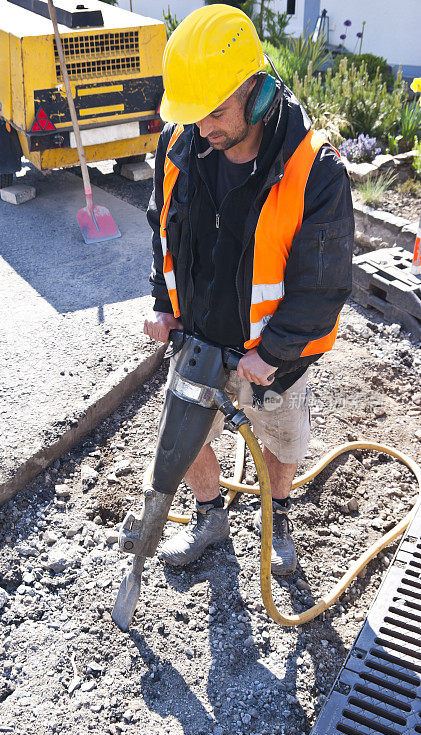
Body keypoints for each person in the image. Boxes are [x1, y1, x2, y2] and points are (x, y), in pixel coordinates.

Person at [144, 5, 354, 575]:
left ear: (256, 94)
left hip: (272, 355)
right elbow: (163, 230)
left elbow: (324, 284)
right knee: (185, 443)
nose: (202, 128)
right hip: (199, 340)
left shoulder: (317, 172)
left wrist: (274, 353)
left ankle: (274, 512)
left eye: (214, 111)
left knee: (282, 448)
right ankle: (211, 516)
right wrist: (166, 308)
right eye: (193, 115)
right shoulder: (179, 144)